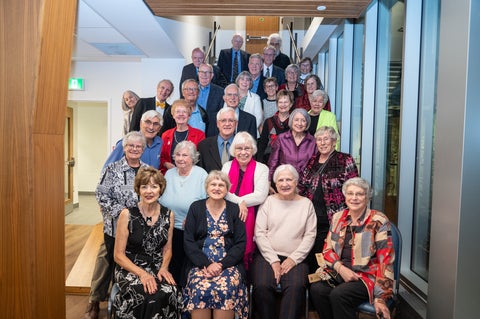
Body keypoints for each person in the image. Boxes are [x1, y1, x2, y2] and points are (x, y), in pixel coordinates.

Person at [83, 131, 149, 319]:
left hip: (139, 230)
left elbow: (153, 195)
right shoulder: (112, 169)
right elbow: (102, 195)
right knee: (106, 262)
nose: (134, 149)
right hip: (114, 228)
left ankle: (127, 302)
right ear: (124, 148)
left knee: (132, 265)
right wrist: (123, 214)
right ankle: (94, 301)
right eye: (131, 146)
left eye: (138, 146)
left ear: (143, 149)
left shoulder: (148, 170)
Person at [309, 177, 395, 319]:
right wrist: (340, 268)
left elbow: (385, 260)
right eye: (350, 194)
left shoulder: (378, 220)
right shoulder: (338, 217)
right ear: (345, 196)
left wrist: (381, 297)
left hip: (366, 276)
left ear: (367, 198)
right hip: (340, 272)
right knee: (317, 290)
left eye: (359, 194)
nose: (354, 198)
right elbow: (327, 250)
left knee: (339, 295)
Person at [113, 166, 182, 318]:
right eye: (144, 187)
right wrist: (142, 274)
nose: (149, 191)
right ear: (138, 190)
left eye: (154, 186)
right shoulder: (127, 214)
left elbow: (168, 249)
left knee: (169, 292)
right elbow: (118, 255)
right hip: (130, 268)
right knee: (144, 295)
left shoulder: (168, 214)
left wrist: (164, 268)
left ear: (160, 189)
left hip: (157, 266)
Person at [252, 164, 316, 319]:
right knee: (261, 286)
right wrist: (273, 260)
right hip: (267, 256)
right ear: (275, 184)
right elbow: (259, 233)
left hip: (296, 258)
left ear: (296, 182)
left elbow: (310, 235)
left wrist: (293, 259)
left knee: (295, 287)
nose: (285, 184)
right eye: (280, 180)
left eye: (289, 180)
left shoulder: (306, 204)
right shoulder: (268, 202)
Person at [183, 170, 249, 319]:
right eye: (213, 184)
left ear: (227, 189)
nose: (217, 188)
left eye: (221, 185)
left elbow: (240, 243)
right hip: (200, 264)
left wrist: (221, 265)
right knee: (199, 288)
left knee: (226, 288)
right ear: (207, 187)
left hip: (228, 264)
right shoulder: (196, 207)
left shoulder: (234, 209)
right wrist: (206, 264)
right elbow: (188, 241)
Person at [297, 126, 358, 273]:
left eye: (326, 139)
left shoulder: (345, 159)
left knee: (329, 255)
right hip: (311, 218)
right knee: (310, 255)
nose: (322, 143)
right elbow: (301, 186)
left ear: (334, 141)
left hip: (334, 219)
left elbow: (354, 188)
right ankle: (311, 288)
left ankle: (324, 289)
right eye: (319, 139)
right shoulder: (312, 161)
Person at [159, 141, 208, 285]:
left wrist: (194, 218)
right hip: (169, 228)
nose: (180, 158)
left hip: (191, 230)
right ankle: (172, 294)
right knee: (171, 263)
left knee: (186, 267)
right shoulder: (169, 173)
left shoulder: (201, 174)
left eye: (185, 155)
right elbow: (161, 198)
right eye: (178, 155)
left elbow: (207, 202)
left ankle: (185, 295)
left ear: (193, 158)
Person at [222, 131, 269, 272]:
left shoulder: (262, 168)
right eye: (239, 148)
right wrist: (241, 203)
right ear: (233, 150)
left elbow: (260, 196)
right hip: (228, 216)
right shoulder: (227, 166)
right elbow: (223, 191)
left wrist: (239, 202)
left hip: (253, 218)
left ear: (253, 150)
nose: (243, 152)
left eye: (247, 148)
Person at [267, 108, 317, 188]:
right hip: (284, 183)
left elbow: (316, 166)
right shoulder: (281, 138)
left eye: (303, 120)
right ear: (291, 121)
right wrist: (269, 181)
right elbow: (273, 162)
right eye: (296, 120)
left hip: (305, 186)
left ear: (307, 123)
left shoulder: (313, 141)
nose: (299, 123)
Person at [160, 99, 205, 174]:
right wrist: (166, 164)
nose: (181, 114)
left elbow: (201, 159)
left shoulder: (199, 135)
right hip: (170, 174)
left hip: (191, 174)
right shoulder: (165, 135)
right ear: (173, 115)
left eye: (184, 112)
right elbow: (161, 156)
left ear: (189, 116)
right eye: (178, 112)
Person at [256, 89, 293, 164]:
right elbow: (262, 144)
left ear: (291, 104)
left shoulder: (294, 122)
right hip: (269, 159)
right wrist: (259, 162)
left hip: (289, 160)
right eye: (280, 102)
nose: (283, 105)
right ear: (277, 104)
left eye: (286, 102)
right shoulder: (269, 122)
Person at [197, 107, 237, 172]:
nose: (227, 124)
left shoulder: (243, 146)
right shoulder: (203, 146)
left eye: (231, 120)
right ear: (218, 124)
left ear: (236, 124)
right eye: (223, 120)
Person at [236, 71, 263, 136]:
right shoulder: (231, 95)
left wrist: (247, 131)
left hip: (250, 133)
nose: (245, 82)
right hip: (231, 132)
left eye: (247, 80)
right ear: (238, 81)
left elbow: (258, 118)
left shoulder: (256, 98)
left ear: (250, 83)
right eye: (242, 79)